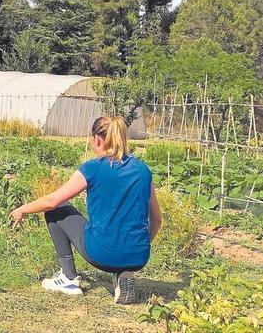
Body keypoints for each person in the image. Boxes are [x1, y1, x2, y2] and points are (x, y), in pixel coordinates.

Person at [9, 116, 162, 304]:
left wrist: (22, 209)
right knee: (121, 243)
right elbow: (157, 220)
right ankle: (124, 271)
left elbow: (52, 200)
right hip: (139, 256)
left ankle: (68, 278)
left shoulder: (93, 168)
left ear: (97, 139)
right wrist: (139, 245)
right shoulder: (143, 170)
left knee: (57, 209)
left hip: (100, 253)